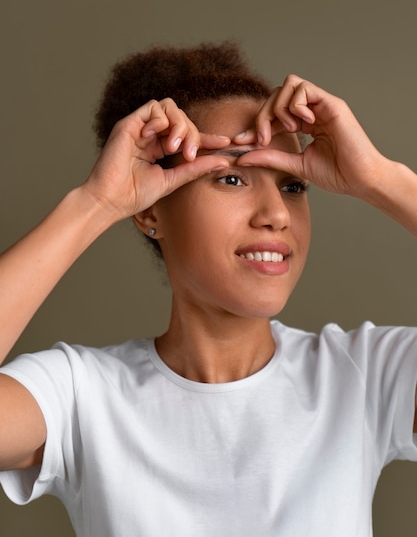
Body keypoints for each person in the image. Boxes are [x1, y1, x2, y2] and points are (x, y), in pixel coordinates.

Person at [0, 42, 417, 536]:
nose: (277, 215)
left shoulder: (367, 376)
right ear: (152, 209)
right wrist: (96, 203)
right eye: (233, 178)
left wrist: (380, 179)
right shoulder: (79, 395)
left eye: (292, 185)